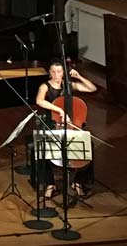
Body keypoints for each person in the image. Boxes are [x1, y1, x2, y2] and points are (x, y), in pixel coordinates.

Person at [35, 61, 97, 199]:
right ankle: (49, 184)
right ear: (49, 73)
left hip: (72, 125)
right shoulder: (45, 86)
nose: (56, 75)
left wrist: (79, 77)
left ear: (63, 73)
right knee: (42, 147)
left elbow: (92, 89)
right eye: (53, 71)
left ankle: (78, 182)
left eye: (59, 71)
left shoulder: (69, 86)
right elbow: (39, 101)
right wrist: (59, 109)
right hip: (52, 123)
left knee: (89, 147)